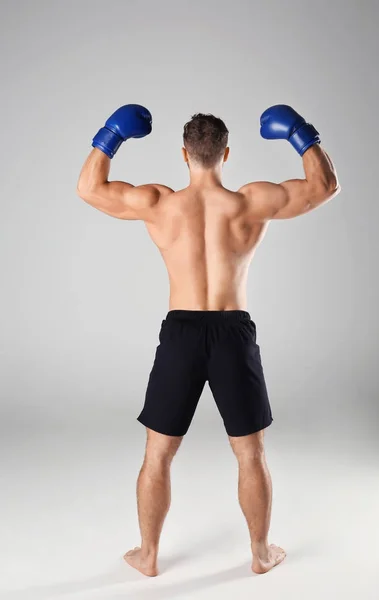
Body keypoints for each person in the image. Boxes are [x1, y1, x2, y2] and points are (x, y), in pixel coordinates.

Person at [77, 103, 340, 577]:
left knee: (157, 453)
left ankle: (148, 555)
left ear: (183, 155)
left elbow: (89, 188)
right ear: (226, 154)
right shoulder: (249, 202)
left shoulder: (159, 203)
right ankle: (260, 554)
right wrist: (302, 134)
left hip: (180, 332)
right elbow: (324, 187)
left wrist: (110, 136)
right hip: (231, 332)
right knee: (251, 453)